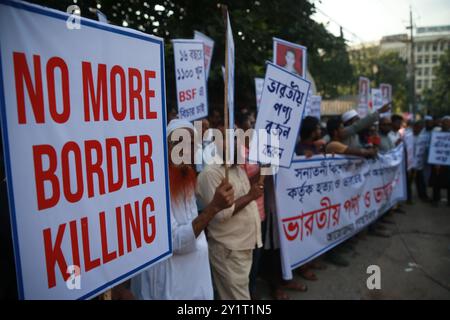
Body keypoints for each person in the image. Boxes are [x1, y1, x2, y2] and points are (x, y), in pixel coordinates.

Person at [131, 119, 235, 300]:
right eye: (181, 142)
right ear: (167, 148)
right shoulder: (154, 186)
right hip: (171, 284)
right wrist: (213, 208)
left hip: (196, 279)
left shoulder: (186, 177)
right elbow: (176, 241)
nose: (187, 149)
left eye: (192, 143)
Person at [196, 128, 264, 300]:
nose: (235, 144)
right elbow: (221, 214)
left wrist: (263, 173)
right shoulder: (211, 173)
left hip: (244, 245)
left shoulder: (237, 169)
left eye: (237, 139)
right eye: (227, 139)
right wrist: (250, 196)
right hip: (229, 249)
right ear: (216, 144)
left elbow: (246, 194)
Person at [430, 116, 450, 207]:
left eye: (448, 122)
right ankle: (435, 199)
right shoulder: (436, 134)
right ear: (442, 123)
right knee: (436, 182)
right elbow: (434, 148)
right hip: (438, 163)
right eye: (445, 122)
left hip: (448, 163)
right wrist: (435, 162)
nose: (446, 124)